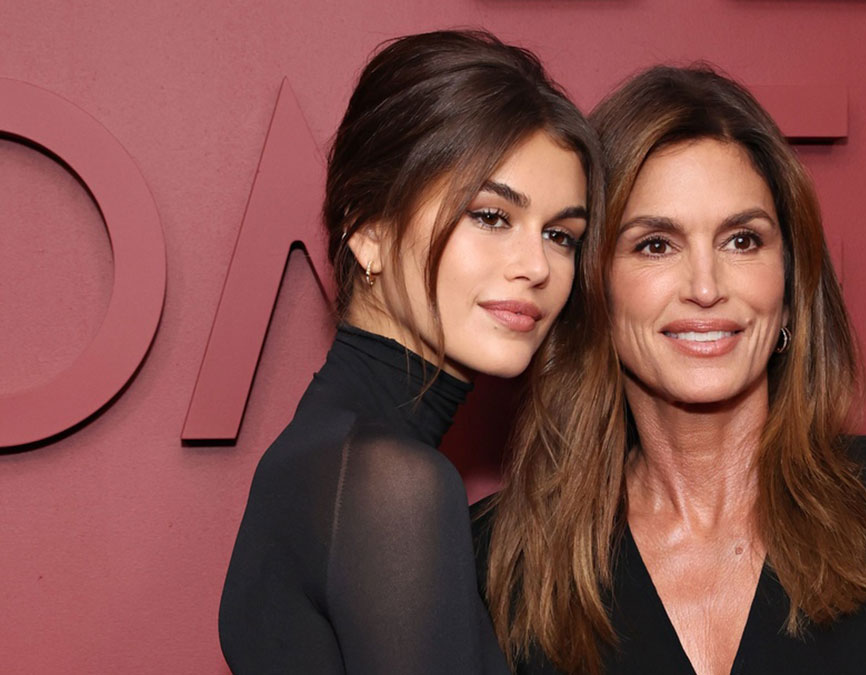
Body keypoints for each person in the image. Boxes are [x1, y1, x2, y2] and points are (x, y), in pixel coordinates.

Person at [475, 65, 866, 675]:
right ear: (593, 290)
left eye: (742, 240)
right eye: (655, 244)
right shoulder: (501, 563)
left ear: (790, 284)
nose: (706, 288)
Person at [218, 30, 601, 674]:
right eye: (491, 216)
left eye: (561, 234)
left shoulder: (325, 454)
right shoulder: (391, 484)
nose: (537, 266)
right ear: (367, 228)